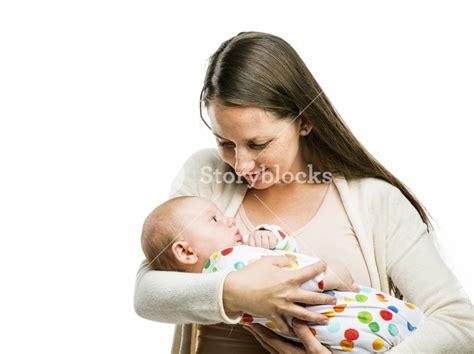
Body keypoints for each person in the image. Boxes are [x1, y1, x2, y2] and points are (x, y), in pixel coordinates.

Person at [134, 31, 474, 353]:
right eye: (225, 143)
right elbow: (147, 293)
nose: (240, 165)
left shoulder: (374, 201)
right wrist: (240, 292)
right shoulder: (204, 179)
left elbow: (460, 325)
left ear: (304, 121)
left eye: (259, 143)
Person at [140, 195, 425, 352]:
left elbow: (285, 258)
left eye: (259, 143)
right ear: (186, 253)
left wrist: (270, 238)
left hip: (347, 330)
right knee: (408, 321)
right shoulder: (223, 261)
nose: (229, 220)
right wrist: (333, 274)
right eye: (215, 219)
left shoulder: (231, 259)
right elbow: (294, 274)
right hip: (351, 321)